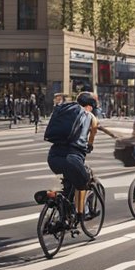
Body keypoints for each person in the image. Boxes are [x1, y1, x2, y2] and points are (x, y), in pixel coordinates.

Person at [46, 92, 101, 220]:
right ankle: (81, 213)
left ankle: (62, 209)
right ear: (90, 106)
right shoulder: (91, 116)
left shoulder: (66, 111)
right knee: (83, 181)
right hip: (73, 158)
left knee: (69, 180)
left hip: (53, 156)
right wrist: (90, 145)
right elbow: (92, 135)